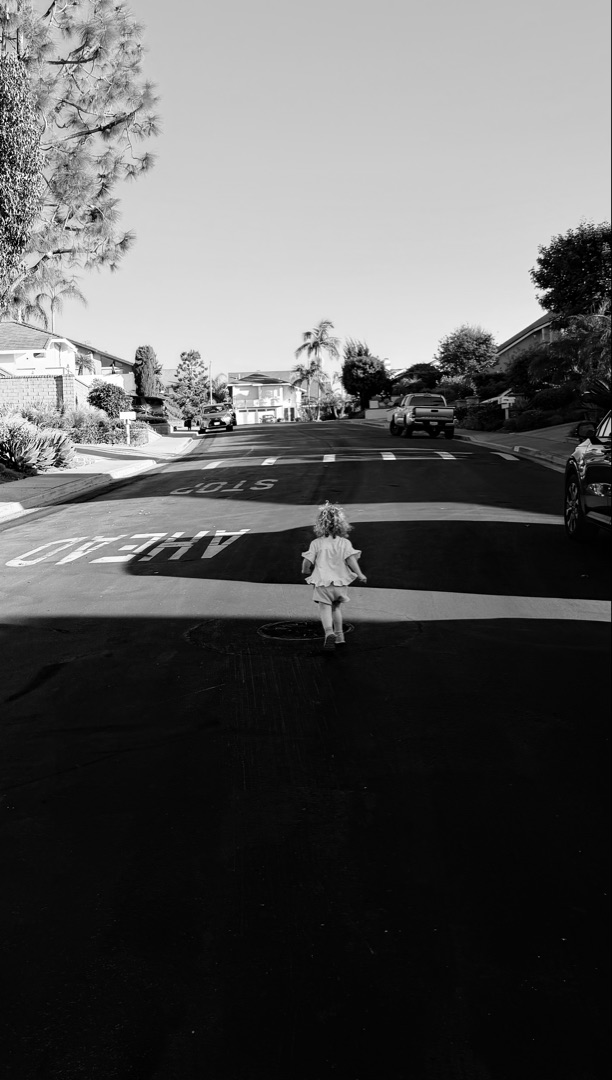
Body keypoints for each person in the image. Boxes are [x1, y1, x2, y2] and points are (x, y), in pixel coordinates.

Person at [301, 501, 367, 651]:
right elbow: (351, 560)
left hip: (323, 584)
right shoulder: (345, 543)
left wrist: (305, 571)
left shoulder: (316, 543)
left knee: (325, 609)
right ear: (341, 524)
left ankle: (329, 632)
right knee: (336, 608)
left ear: (320, 524)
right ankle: (340, 636)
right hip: (340, 584)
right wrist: (360, 574)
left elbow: (307, 561)